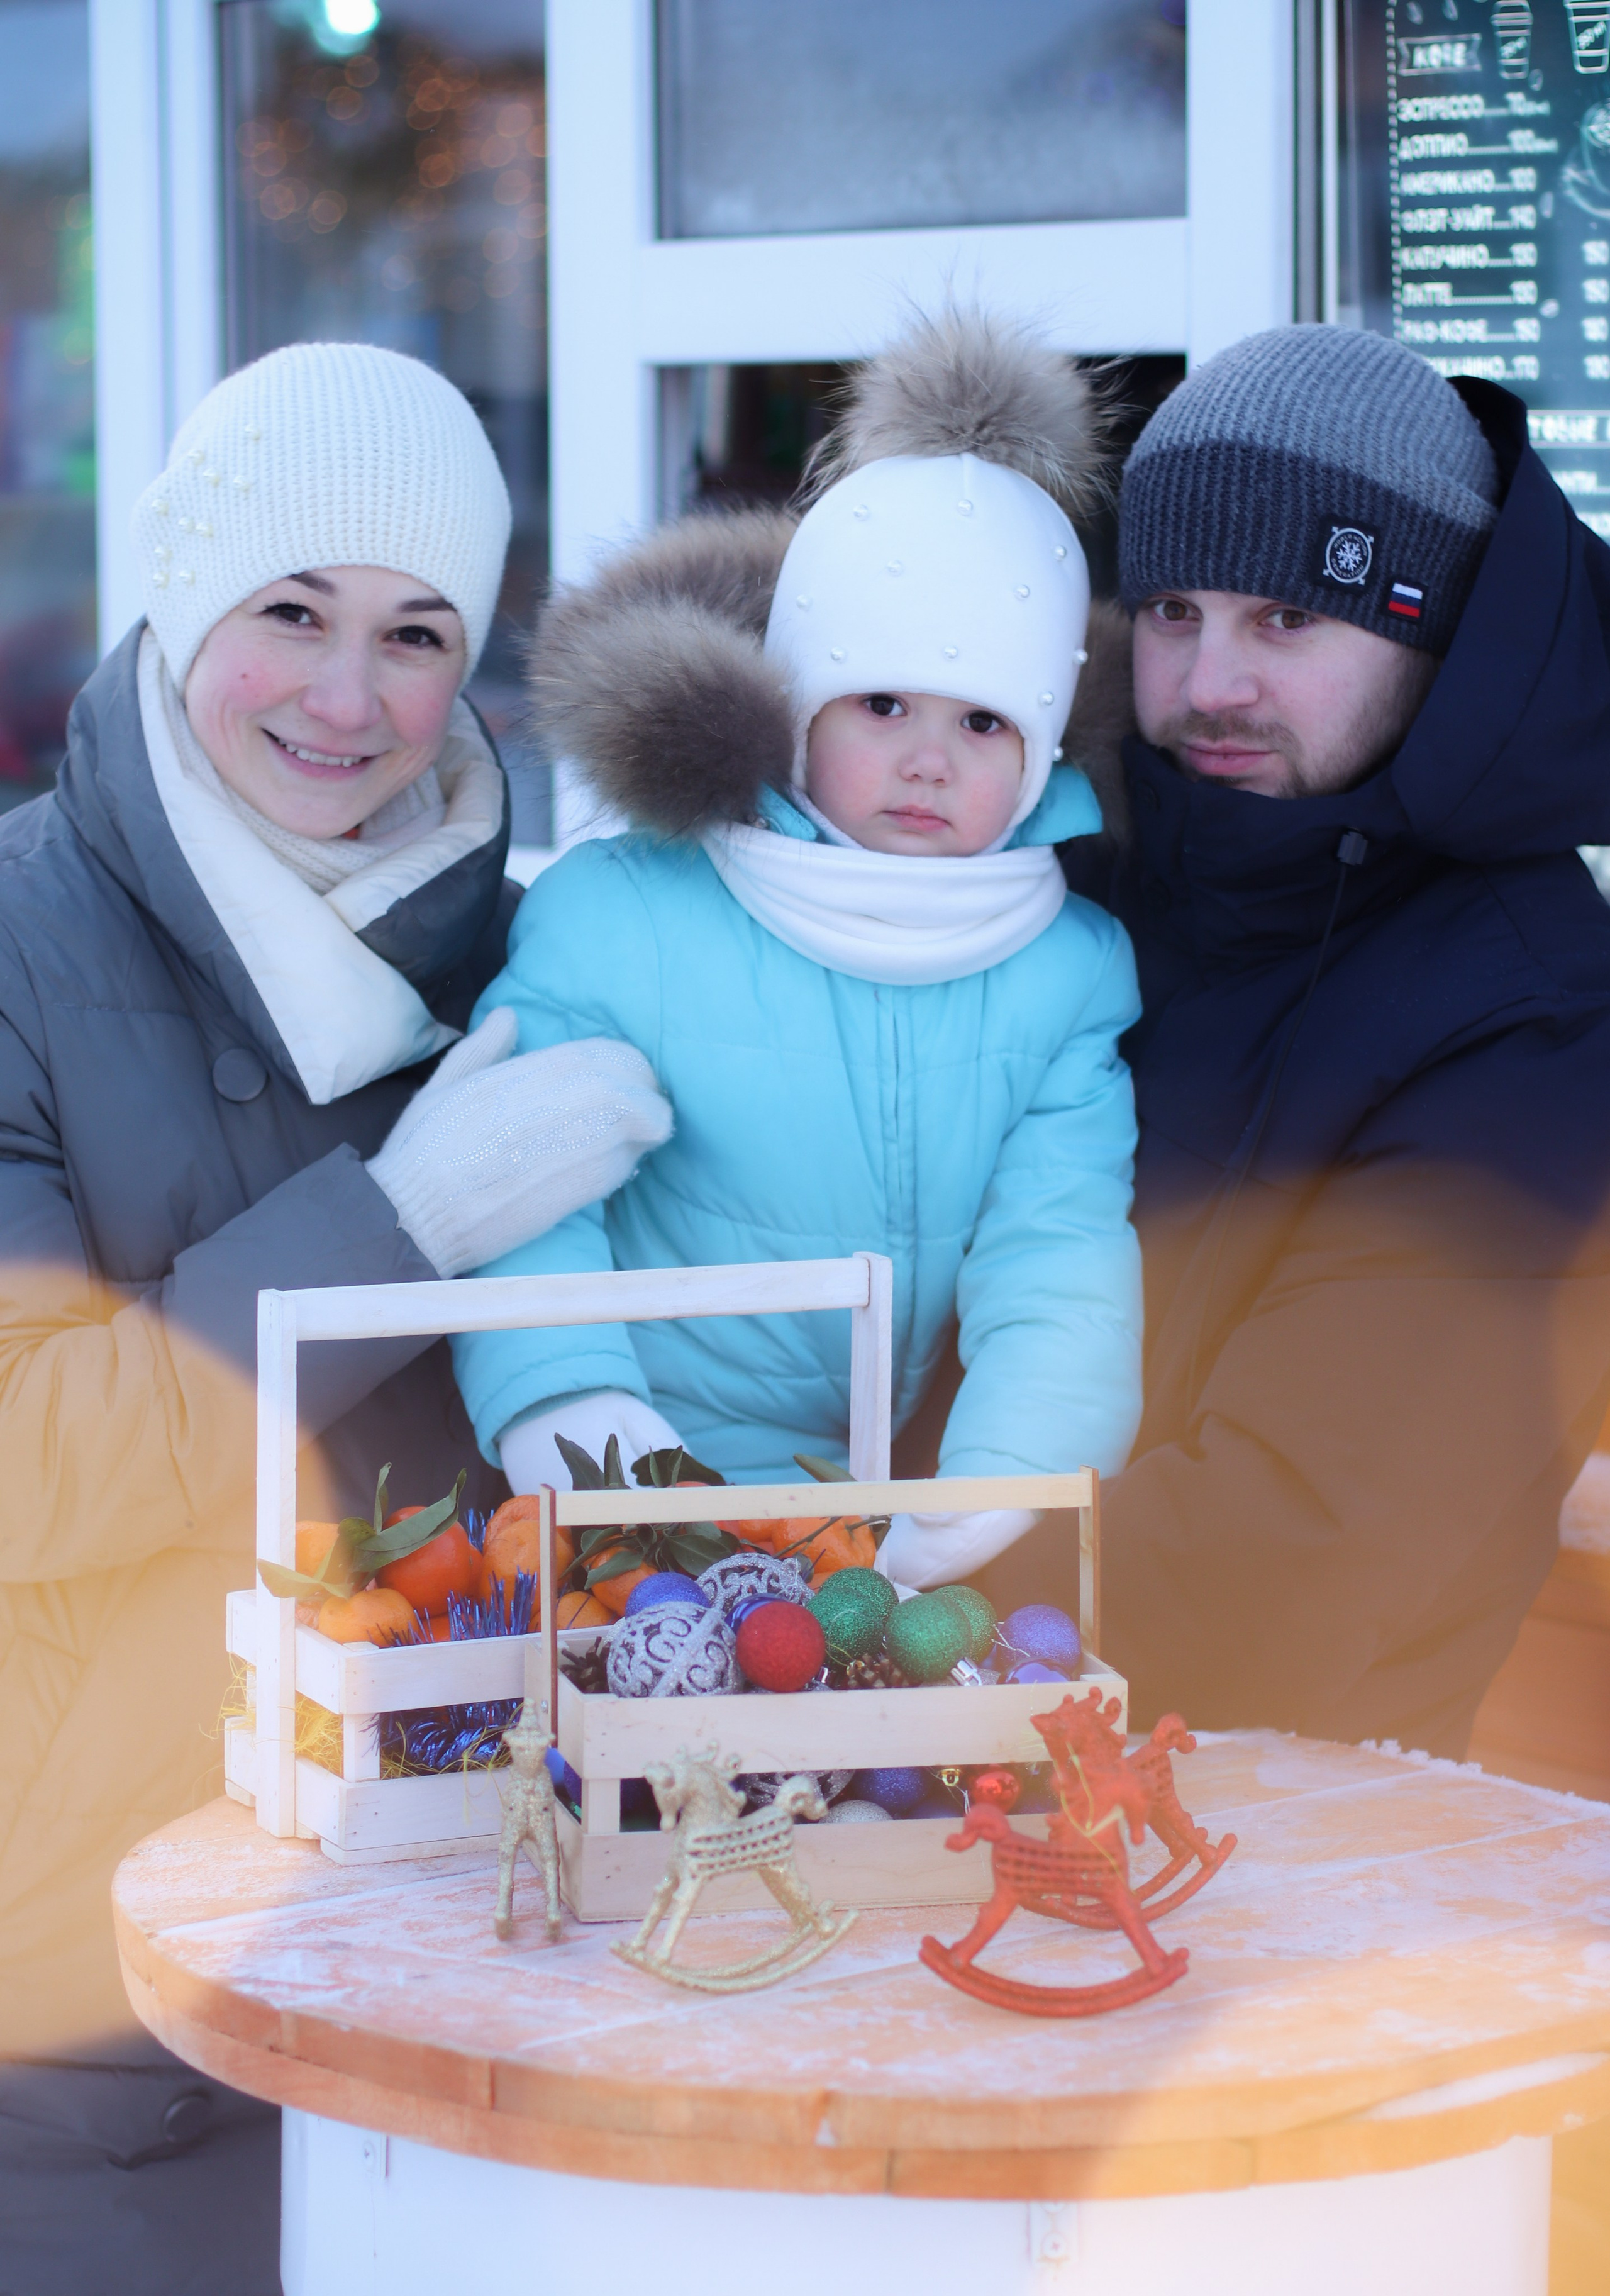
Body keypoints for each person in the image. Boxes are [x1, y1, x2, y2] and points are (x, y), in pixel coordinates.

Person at [0, 342, 669, 2293]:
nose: (346, 695)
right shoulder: (17, 944)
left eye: (415, 632)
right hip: (85, 1988)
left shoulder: (542, 951)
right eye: (290, 610)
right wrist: (403, 1224)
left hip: (481, 1932)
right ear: (186, 588)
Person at [450, 313, 1143, 1591]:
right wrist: (576, 1415)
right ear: (795, 697)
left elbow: (1057, 1250)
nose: (928, 758)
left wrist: (999, 1475)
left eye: (984, 721)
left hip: (877, 1514)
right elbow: (523, 1196)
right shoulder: (624, 913)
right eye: (879, 704)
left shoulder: (1065, 970)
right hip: (632, 1487)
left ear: (1045, 749)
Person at [994, 323, 1610, 1759]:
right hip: (912, 1778)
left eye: (1284, 621)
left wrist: (823, 1618)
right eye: (1170, 611)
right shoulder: (1064, 883)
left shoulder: (1536, 1018)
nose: (1208, 683)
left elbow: (1282, 1561)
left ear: (1428, 630)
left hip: (1270, 1853)